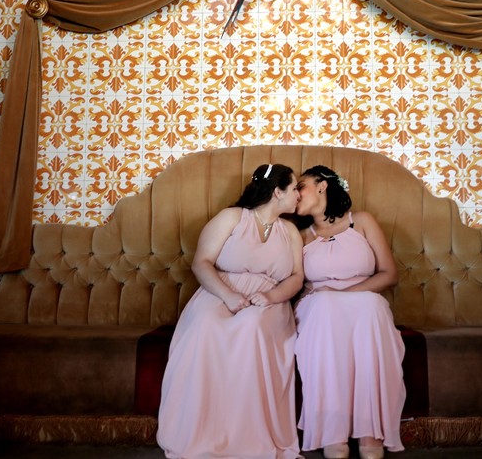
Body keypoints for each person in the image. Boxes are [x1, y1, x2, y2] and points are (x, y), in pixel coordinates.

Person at [156, 163, 305, 459]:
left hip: (269, 301)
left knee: (252, 326)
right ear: (278, 191)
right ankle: (201, 433)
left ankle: (246, 436)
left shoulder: (289, 231)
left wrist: (272, 295)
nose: (299, 195)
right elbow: (202, 262)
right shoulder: (232, 217)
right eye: (295, 188)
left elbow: (297, 277)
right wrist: (228, 294)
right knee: (205, 326)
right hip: (219, 291)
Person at [293, 165, 406, 459]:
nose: (295, 193)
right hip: (318, 303)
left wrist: (343, 293)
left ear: (322, 185)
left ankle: (370, 432)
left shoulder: (363, 221)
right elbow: (294, 282)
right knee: (325, 307)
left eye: (301, 185)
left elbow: (389, 274)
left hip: (362, 298)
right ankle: (333, 430)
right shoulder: (300, 235)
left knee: (371, 307)